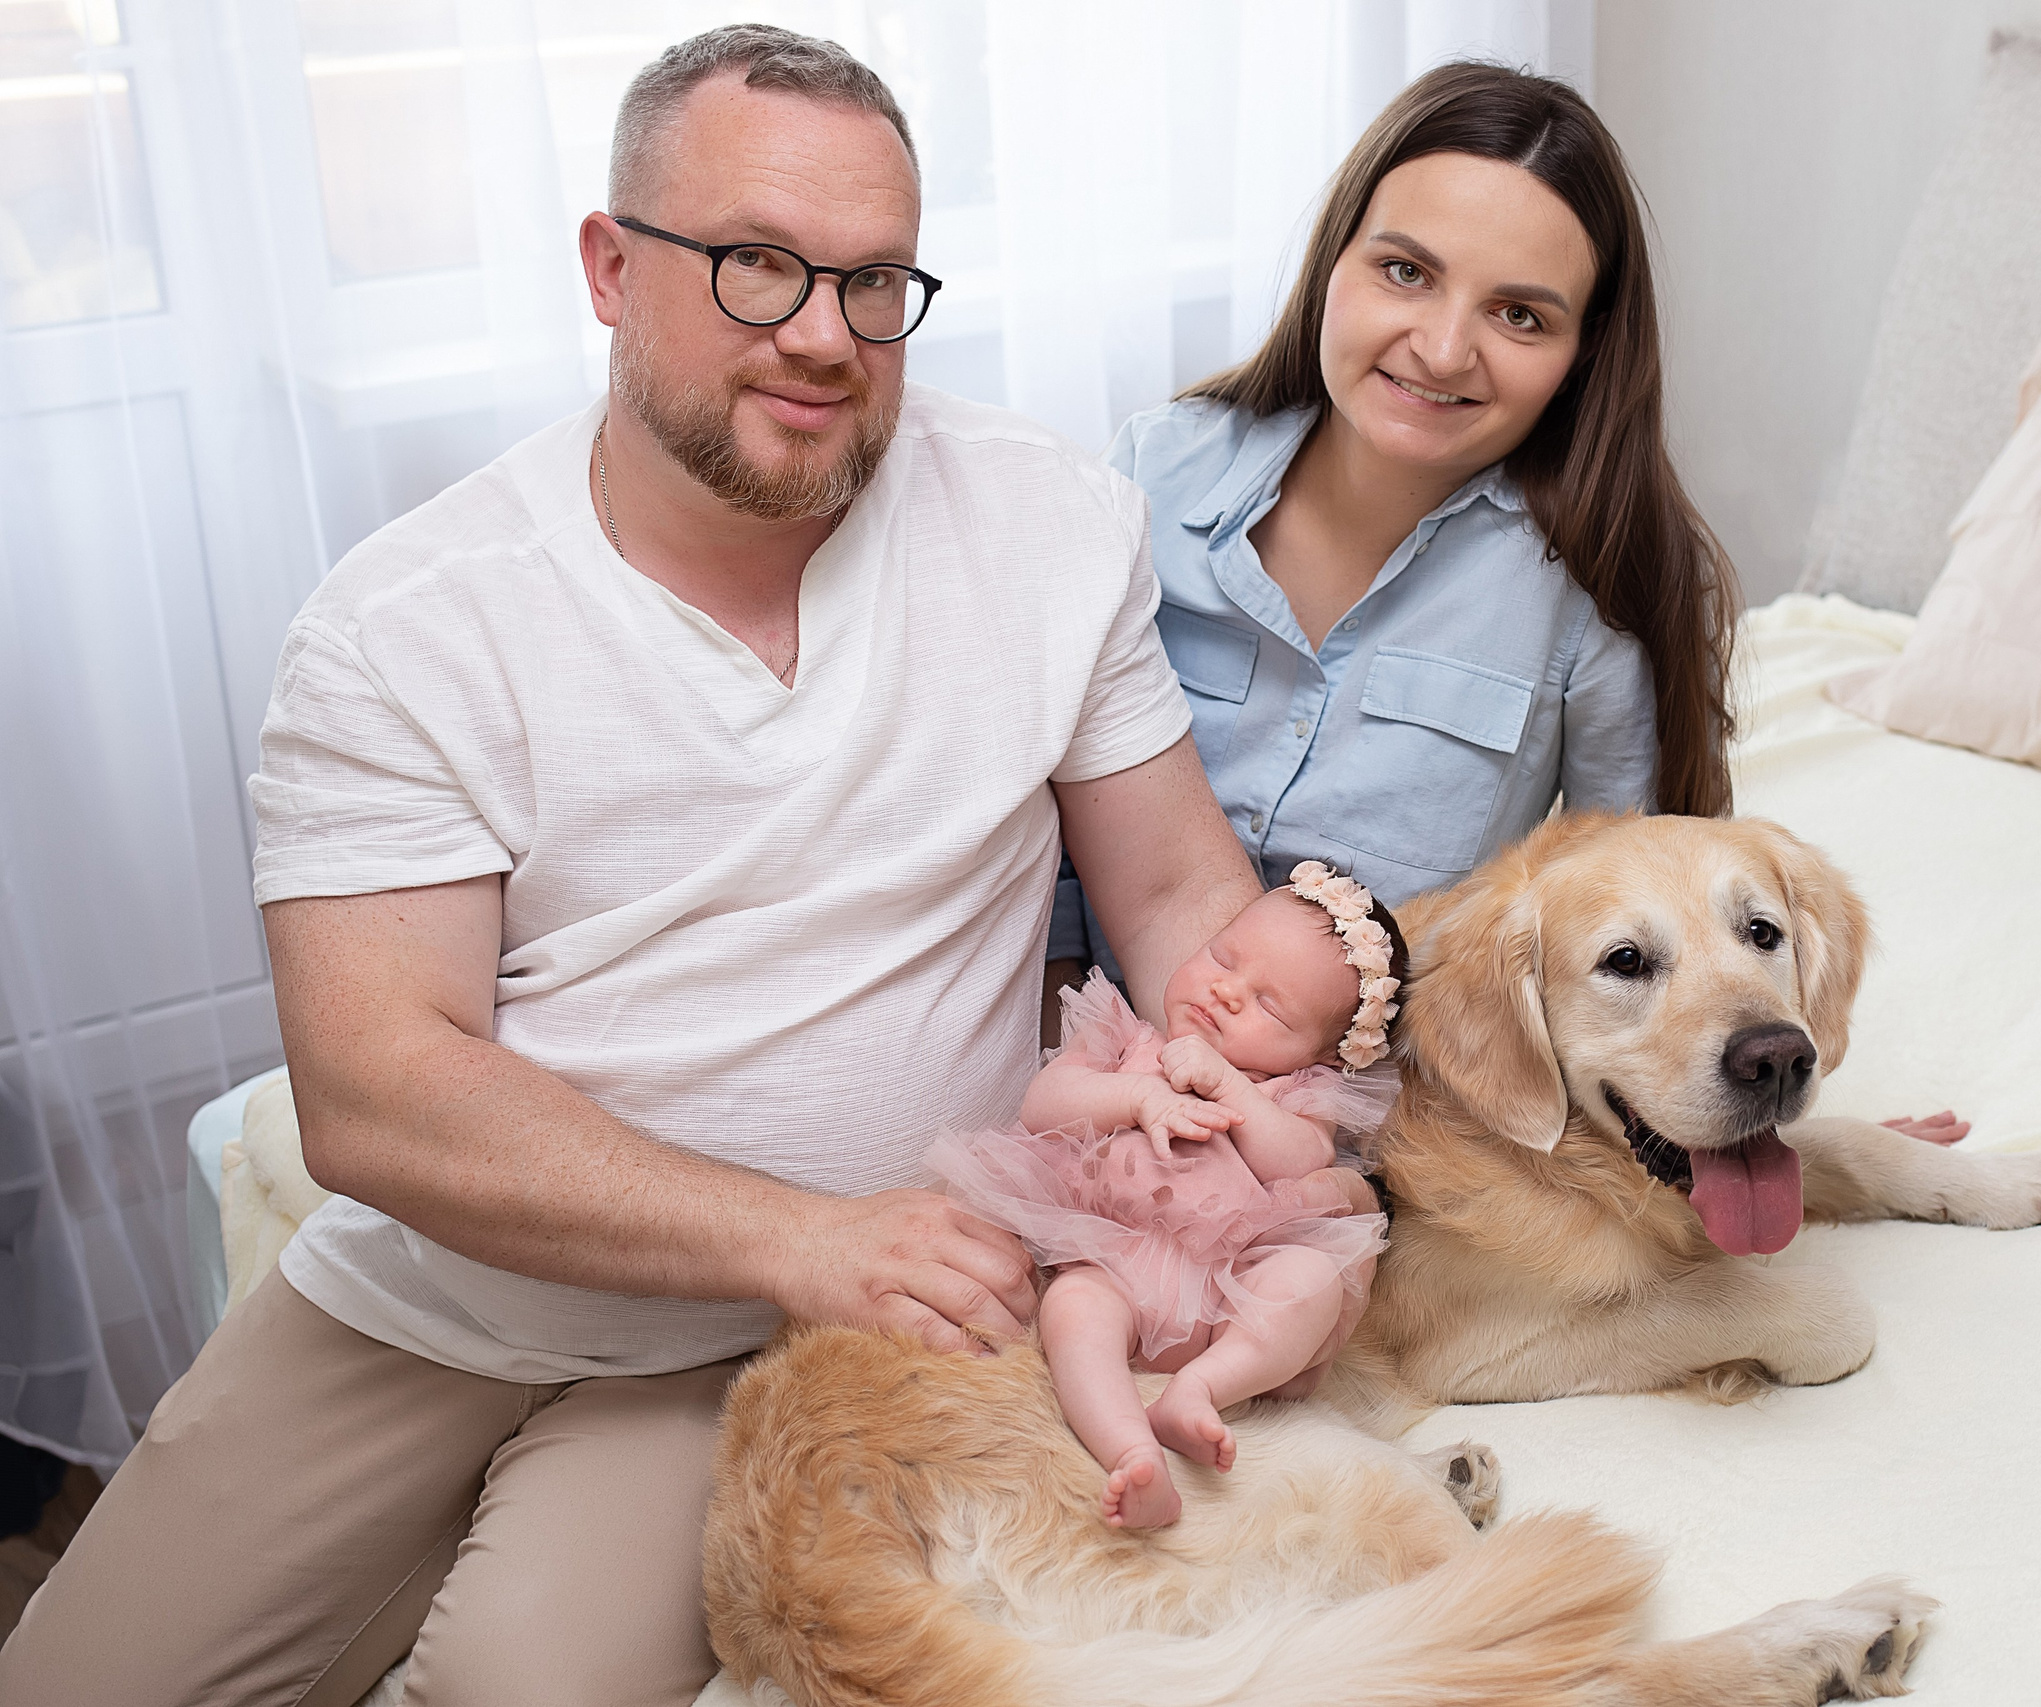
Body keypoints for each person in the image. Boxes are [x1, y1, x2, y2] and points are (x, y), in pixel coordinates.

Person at [0, 27, 1267, 1707]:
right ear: (610, 267)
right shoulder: (408, 623)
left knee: (516, 1684)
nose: (823, 336)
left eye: (875, 282)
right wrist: (799, 1230)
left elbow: (1179, 897)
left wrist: (1340, 1004)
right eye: (758, 267)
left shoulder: (1050, 528)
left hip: (774, 1347)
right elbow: (375, 1096)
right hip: (436, 1303)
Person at [1047, 61, 1968, 1148]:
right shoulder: (1151, 475)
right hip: (1083, 1063)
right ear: (1331, 262)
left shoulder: (1591, 583)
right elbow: (1033, 814)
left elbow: (1650, 897)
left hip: (1367, 1129)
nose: (1442, 349)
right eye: (1403, 271)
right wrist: (1058, 1057)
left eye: (1519, 315)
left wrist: (1766, 1128)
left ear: (1581, 356)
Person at [930, 865, 1404, 1530]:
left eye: (1269, 1006)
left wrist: (1230, 1088)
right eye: (1222, 955)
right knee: (1072, 1307)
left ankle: (1202, 1388)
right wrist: (1136, 1094)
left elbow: (1303, 1161)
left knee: (1310, 1281)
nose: (1226, 991)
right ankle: (1129, 1449)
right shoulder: (1127, 1037)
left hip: (1227, 1286)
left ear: (1315, 1057)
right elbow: (1044, 1103)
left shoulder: (1288, 1095)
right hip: (1113, 1260)